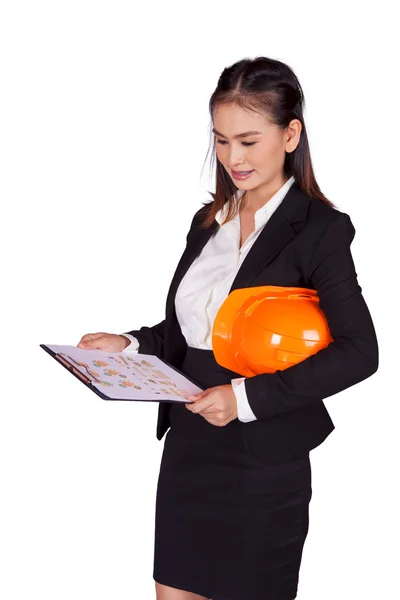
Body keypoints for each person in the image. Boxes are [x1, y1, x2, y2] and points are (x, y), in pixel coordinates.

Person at [77, 56, 379, 600]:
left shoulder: (319, 230)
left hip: (262, 458)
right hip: (191, 450)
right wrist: (126, 344)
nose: (232, 158)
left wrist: (243, 400)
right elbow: (189, 329)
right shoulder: (207, 221)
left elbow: (359, 352)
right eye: (220, 141)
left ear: (290, 135)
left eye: (247, 141)